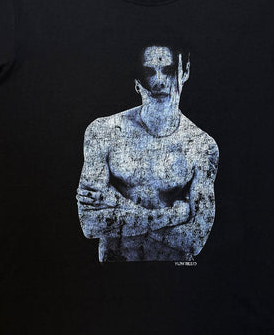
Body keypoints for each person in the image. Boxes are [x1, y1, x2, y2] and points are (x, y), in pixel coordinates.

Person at [77, 45, 219, 262]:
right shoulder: (104, 132)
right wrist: (172, 215)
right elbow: (90, 224)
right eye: (149, 72)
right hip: (116, 271)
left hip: (176, 275)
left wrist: (118, 203)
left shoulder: (201, 146)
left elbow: (194, 240)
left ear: (185, 71)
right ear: (137, 80)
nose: (159, 81)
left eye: (168, 70)